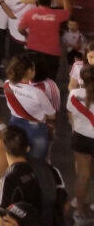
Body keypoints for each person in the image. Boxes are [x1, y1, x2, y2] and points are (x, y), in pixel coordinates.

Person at [0, 125, 66, 224]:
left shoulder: (10, 178)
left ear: (1, 145)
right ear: (27, 148)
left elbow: (2, 215)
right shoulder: (50, 168)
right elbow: (65, 203)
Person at [3, 55, 56, 161]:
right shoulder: (37, 93)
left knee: (14, 158)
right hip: (36, 128)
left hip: (14, 123)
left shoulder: (7, 84)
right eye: (33, 68)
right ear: (28, 72)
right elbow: (52, 115)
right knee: (36, 161)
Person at [18, 0, 72, 82]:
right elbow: (69, 11)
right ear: (51, 0)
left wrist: (27, 35)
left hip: (33, 50)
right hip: (52, 52)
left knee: (33, 78)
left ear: (37, 0)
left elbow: (20, 29)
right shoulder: (57, 14)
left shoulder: (30, 13)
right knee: (49, 80)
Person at [67, 64, 94, 221]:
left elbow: (70, 114)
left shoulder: (74, 94)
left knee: (83, 175)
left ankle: (80, 209)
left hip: (80, 138)